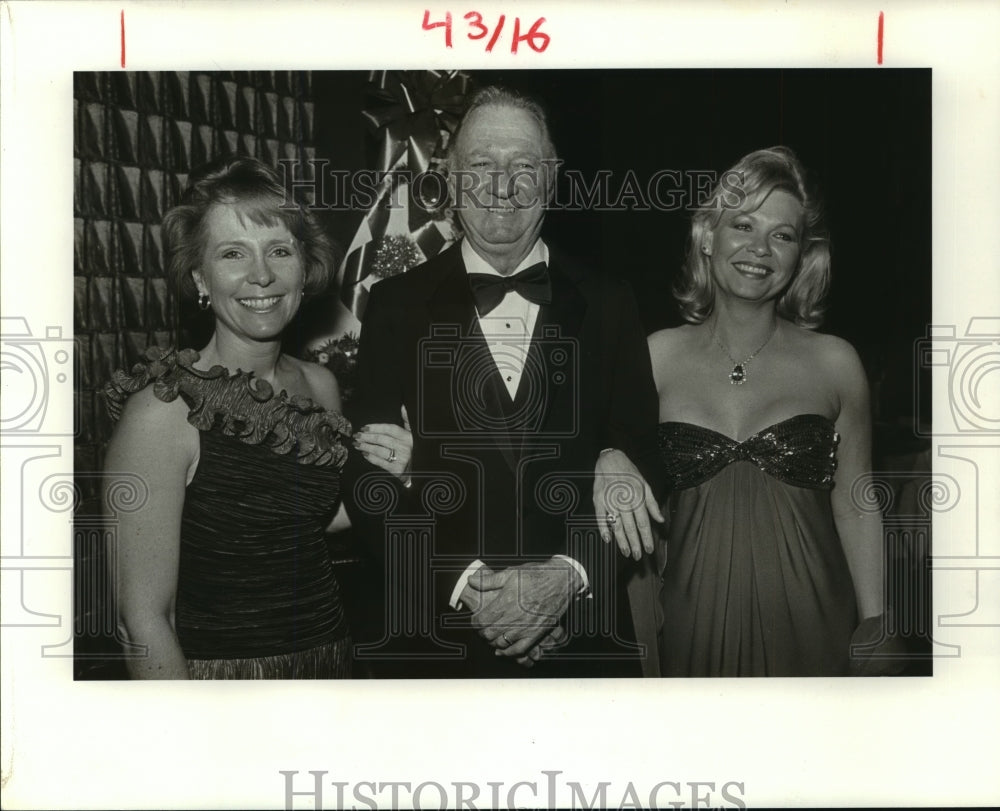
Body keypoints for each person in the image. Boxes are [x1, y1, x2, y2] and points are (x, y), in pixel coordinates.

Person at [348, 86, 661, 677]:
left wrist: (569, 576)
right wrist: (471, 588)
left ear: (552, 178)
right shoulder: (394, 305)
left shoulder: (610, 303)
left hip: (584, 643)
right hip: (438, 645)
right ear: (448, 175)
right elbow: (369, 477)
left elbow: (648, 459)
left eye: (523, 166)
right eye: (481, 165)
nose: (501, 184)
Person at [101, 156, 412, 679]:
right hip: (222, 688)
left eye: (279, 250)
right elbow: (142, 623)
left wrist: (388, 475)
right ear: (200, 276)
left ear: (304, 266)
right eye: (232, 254)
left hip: (331, 665)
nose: (262, 274)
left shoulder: (321, 385)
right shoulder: (163, 410)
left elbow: (301, 518)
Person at [632, 146, 893, 676]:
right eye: (743, 225)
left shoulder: (837, 363)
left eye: (783, 235)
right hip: (688, 629)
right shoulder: (654, 356)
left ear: (802, 255)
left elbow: (857, 504)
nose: (760, 249)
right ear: (708, 237)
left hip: (817, 626)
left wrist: (877, 625)